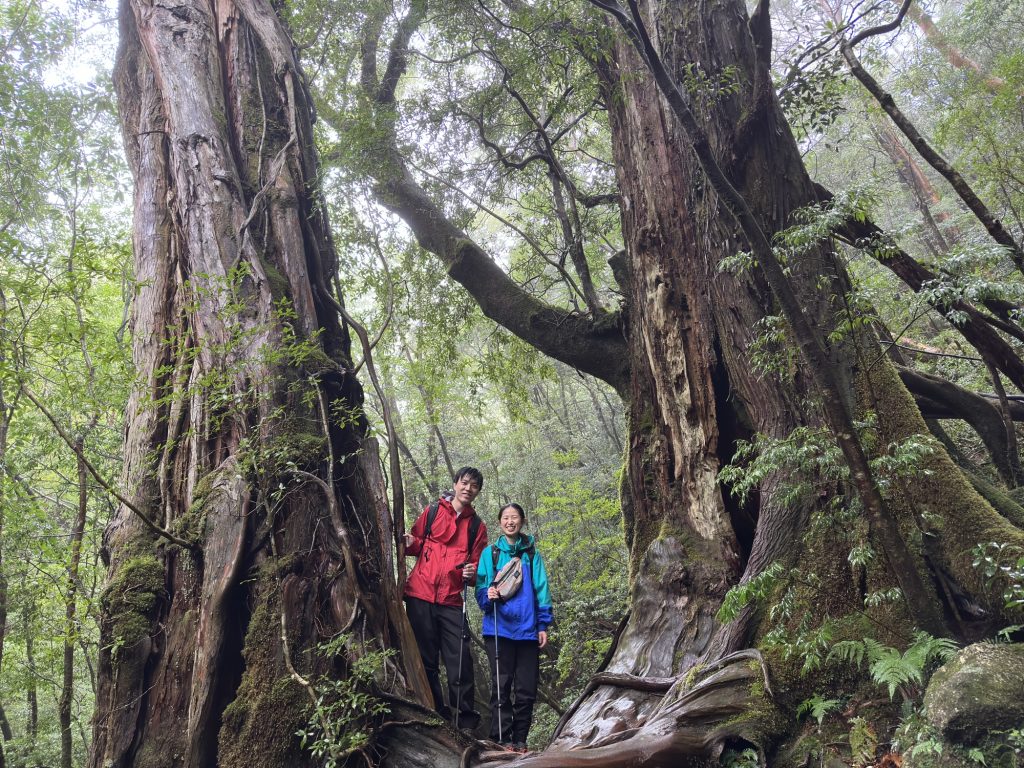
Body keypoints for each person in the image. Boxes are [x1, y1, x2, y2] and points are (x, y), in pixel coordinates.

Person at [403, 467, 487, 730]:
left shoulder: (476, 526)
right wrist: (407, 541)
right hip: (421, 594)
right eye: (464, 483)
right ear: (455, 484)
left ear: (477, 492)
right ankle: (436, 715)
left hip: (452, 600)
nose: (468, 489)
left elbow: (477, 569)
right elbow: (416, 542)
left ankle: (464, 723)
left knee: (460, 660)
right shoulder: (433, 511)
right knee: (425, 660)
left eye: (474, 486)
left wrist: (473, 573)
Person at [475, 502, 553, 752]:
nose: (510, 521)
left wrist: (542, 624)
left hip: (529, 631)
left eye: (515, 517)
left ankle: (520, 740)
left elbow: (542, 590)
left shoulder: (532, 554)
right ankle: (501, 740)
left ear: (522, 521)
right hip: (499, 630)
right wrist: (488, 595)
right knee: (501, 686)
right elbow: (480, 589)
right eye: (506, 518)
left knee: (526, 688)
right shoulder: (491, 554)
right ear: (500, 522)